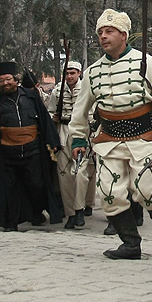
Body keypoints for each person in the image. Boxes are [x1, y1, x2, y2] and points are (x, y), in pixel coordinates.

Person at [70, 9, 152, 259]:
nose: (103, 36)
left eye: (109, 31)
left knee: (146, 190)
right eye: (100, 33)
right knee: (110, 194)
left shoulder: (148, 63)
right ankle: (130, 244)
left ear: (123, 34)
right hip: (108, 139)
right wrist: (77, 137)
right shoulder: (92, 72)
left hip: (144, 136)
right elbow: (81, 109)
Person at [0, 60, 63, 231]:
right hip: (7, 152)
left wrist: (52, 142)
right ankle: (11, 222)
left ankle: (36, 213)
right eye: (1, 81)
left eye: (8, 79)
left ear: (16, 80)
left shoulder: (31, 98)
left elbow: (44, 120)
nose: (5, 83)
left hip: (33, 150)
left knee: (36, 184)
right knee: (10, 188)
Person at [46, 59, 97, 229]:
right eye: (67, 73)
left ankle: (80, 208)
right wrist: (54, 117)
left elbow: (92, 113)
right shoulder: (57, 91)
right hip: (63, 130)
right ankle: (71, 213)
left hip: (82, 133)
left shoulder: (87, 89)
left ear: (79, 73)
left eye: (72, 73)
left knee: (80, 173)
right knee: (64, 174)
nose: (69, 76)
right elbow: (51, 111)